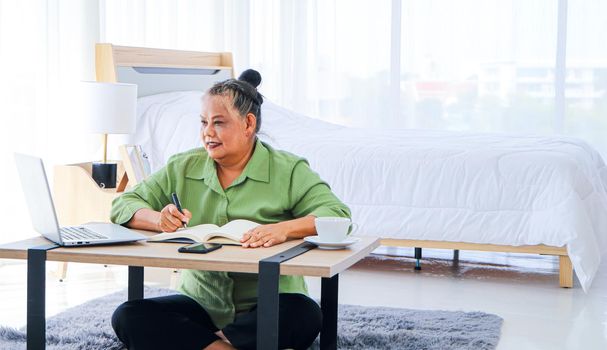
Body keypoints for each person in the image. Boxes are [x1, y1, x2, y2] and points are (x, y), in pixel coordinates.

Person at [109, 69, 351, 350]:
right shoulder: (183, 165)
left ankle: (203, 344)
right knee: (128, 316)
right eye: (203, 123)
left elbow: (337, 214)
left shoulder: (289, 169)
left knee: (306, 315)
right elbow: (123, 204)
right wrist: (158, 219)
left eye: (219, 123)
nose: (207, 133)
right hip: (200, 303)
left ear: (248, 124)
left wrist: (283, 229)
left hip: (269, 304)